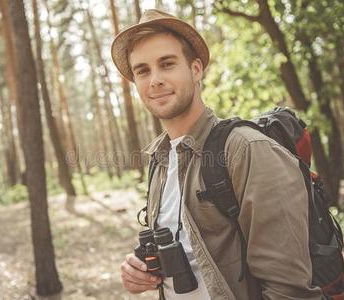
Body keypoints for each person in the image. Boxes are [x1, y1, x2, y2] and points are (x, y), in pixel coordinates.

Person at [111, 9, 323, 300]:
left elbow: (289, 290)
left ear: (196, 69)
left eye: (167, 64)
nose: (155, 80)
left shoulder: (246, 150)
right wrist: (139, 272)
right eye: (143, 70)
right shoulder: (159, 162)